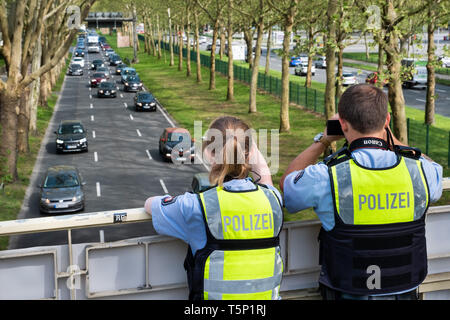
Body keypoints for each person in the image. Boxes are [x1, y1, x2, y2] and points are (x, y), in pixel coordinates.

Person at [280, 84, 443, 300]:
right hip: (405, 290)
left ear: (343, 124)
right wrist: (390, 136)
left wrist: (324, 140)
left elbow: (287, 185)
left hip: (348, 291)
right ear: (386, 121)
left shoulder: (327, 176)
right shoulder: (419, 172)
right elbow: (435, 169)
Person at [145, 116, 284, 300]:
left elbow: (150, 204)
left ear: (210, 155)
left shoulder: (197, 206)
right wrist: (244, 146)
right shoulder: (273, 200)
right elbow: (265, 179)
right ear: (249, 153)